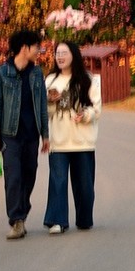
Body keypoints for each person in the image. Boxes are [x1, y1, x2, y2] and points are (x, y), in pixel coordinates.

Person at [0, 29, 49, 240]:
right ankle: (16, 220)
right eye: (36, 47)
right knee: (13, 178)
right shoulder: (0, 74)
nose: (39, 51)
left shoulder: (37, 74)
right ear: (24, 48)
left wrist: (45, 134)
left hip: (31, 135)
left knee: (29, 176)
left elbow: (42, 105)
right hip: (10, 135)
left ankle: (22, 211)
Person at [43, 41, 101, 235]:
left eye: (64, 53)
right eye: (57, 53)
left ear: (74, 55)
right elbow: (46, 112)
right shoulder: (50, 80)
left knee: (85, 186)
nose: (60, 57)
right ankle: (57, 221)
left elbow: (96, 109)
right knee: (57, 182)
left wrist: (84, 115)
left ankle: (84, 219)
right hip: (59, 142)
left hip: (83, 142)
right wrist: (50, 102)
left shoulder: (88, 80)